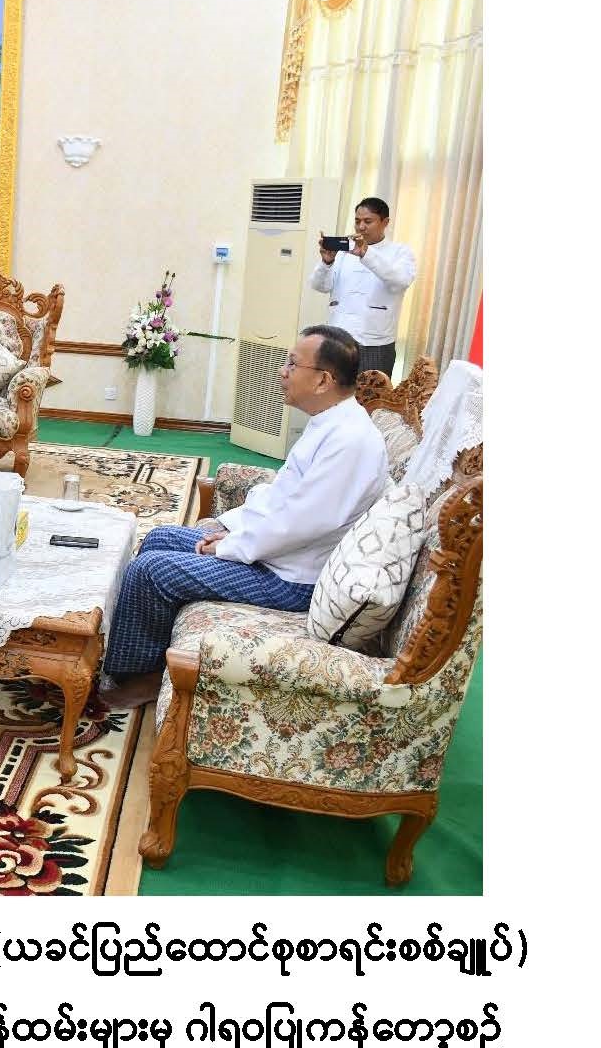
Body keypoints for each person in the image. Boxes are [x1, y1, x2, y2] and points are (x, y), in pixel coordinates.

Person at [96, 324, 391, 709]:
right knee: (160, 538)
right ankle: (146, 659)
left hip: (293, 579)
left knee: (152, 571)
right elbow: (283, 499)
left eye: (292, 364)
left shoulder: (350, 441)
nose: (283, 372)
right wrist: (231, 529)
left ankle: (137, 677)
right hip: (279, 554)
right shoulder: (331, 423)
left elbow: (301, 524)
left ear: (323, 380)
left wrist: (229, 548)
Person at [313, 196, 418, 376]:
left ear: (385, 222)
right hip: (338, 338)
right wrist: (327, 262)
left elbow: (400, 281)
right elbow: (319, 285)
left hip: (375, 343)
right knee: (331, 390)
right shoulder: (344, 252)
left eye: (368, 221)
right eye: (357, 221)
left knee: (370, 393)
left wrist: (366, 254)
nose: (361, 227)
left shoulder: (400, 252)